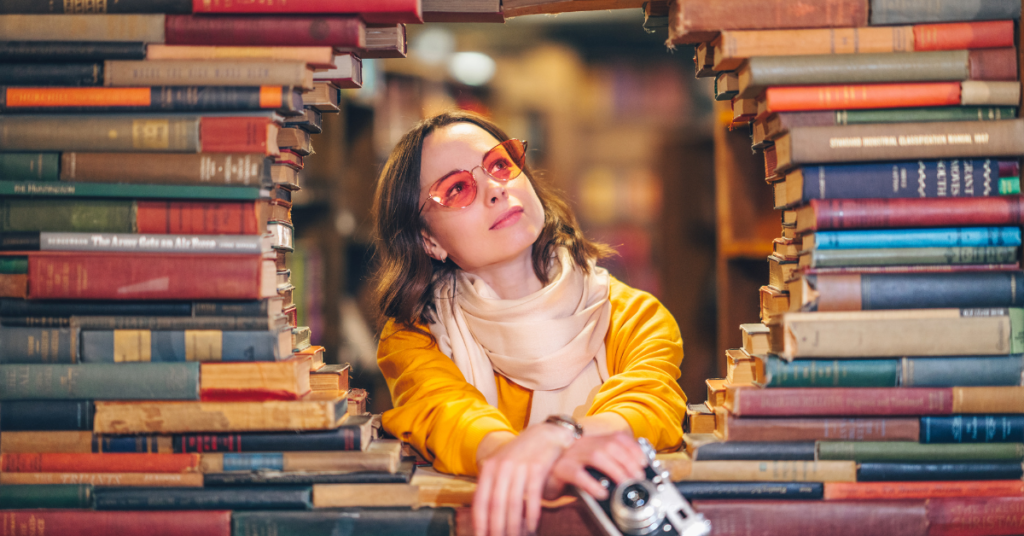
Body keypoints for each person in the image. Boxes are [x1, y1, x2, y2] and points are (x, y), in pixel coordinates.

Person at [371, 110, 687, 536]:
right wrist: (525, 455)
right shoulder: (414, 337)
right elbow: (447, 415)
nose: (495, 190)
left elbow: (649, 404)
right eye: (457, 189)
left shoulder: (635, 316)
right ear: (429, 240)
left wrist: (556, 438)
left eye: (500, 165)